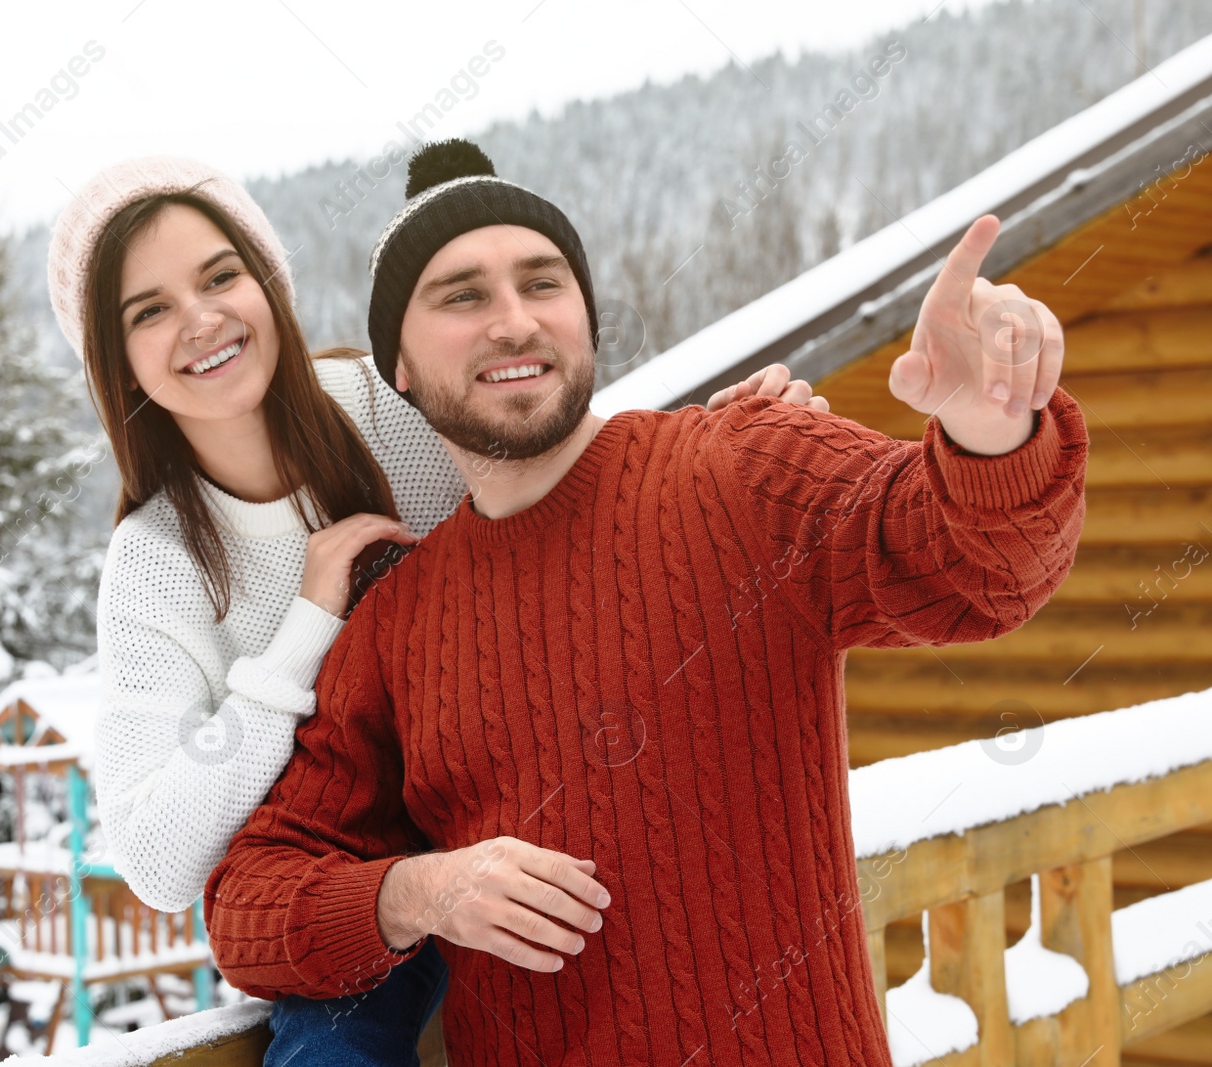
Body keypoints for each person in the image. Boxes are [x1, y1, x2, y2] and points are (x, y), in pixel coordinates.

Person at [203, 139, 1089, 1066]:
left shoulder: (741, 467)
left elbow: (978, 571)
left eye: (543, 283)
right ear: (402, 368)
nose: (514, 321)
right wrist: (416, 893)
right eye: (463, 295)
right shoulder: (398, 622)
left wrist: (990, 428)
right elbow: (249, 902)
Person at [43, 155, 827, 1065]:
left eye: (221, 276)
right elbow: (156, 859)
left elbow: (561, 468)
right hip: (356, 886)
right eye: (150, 310)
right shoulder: (158, 560)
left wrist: (723, 439)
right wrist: (305, 630)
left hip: (527, 808)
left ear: (267, 282)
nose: (203, 318)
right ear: (118, 360)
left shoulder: (389, 407)